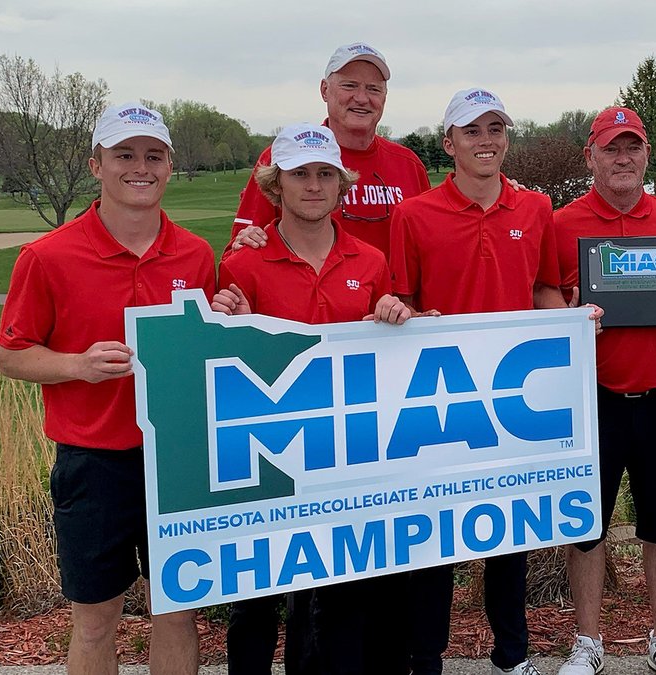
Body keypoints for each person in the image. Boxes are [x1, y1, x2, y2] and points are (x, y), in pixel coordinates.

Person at [223, 41, 429, 675]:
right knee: (258, 598)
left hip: (348, 446)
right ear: (275, 182)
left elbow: (391, 313)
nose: (312, 186)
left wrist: (396, 317)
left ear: (342, 184)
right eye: (299, 175)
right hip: (270, 450)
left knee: (342, 592)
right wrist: (223, 316)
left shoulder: (368, 263)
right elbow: (222, 349)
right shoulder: (244, 264)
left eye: (324, 176)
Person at [0, 102, 214, 675]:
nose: (139, 167)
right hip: (94, 464)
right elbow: (11, 356)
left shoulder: (196, 254)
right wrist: (76, 364)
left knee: (178, 613)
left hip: (179, 460)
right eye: (124, 155)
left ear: (169, 167)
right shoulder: (47, 256)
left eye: (153, 156)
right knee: (95, 620)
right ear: (96, 165)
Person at [390, 87, 601, 675]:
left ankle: (512, 654)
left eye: (495, 130)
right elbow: (402, 300)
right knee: (430, 541)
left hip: (513, 399)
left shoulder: (536, 210)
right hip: (439, 399)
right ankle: (423, 657)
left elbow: (544, 288)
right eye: (472, 131)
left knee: (507, 539)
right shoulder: (413, 214)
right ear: (448, 142)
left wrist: (567, 326)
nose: (486, 142)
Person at [551, 107, 656, 675]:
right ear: (590, 156)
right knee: (585, 523)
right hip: (589, 398)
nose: (622, 158)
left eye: (631, 147)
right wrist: (563, 313)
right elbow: (544, 291)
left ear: (645, 155)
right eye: (610, 148)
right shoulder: (561, 223)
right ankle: (587, 641)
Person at [228, 41, 431, 258]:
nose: (362, 98)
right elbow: (237, 255)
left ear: (384, 97)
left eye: (373, 89)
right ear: (325, 90)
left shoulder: (409, 164)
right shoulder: (285, 158)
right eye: (349, 85)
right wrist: (245, 240)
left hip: (391, 292)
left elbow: (429, 249)